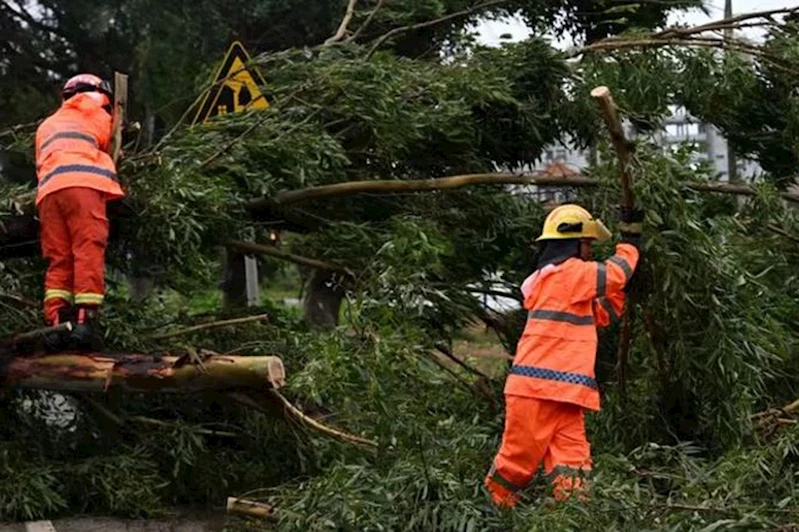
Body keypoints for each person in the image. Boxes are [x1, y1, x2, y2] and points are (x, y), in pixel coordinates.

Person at [484, 203, 643, 507]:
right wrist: (631, 241)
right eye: (587, 244)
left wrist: (624, 287)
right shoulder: (569, 274)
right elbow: (615, 273)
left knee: (572, 461)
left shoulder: (559, 281)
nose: (590, 252)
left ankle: (573, 513)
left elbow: (603, 312)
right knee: (518, 460)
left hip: (559, 392)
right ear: (572, 242)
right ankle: (492, 507)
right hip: (540, 390)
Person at [35, 74, 125, 351]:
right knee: (87, 249)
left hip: (49, 193)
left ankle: (56, 324)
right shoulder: (96, 110)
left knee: (59, 257)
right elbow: (111, 145)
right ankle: (85, 321)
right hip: (83, 185)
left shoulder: (48, 124)